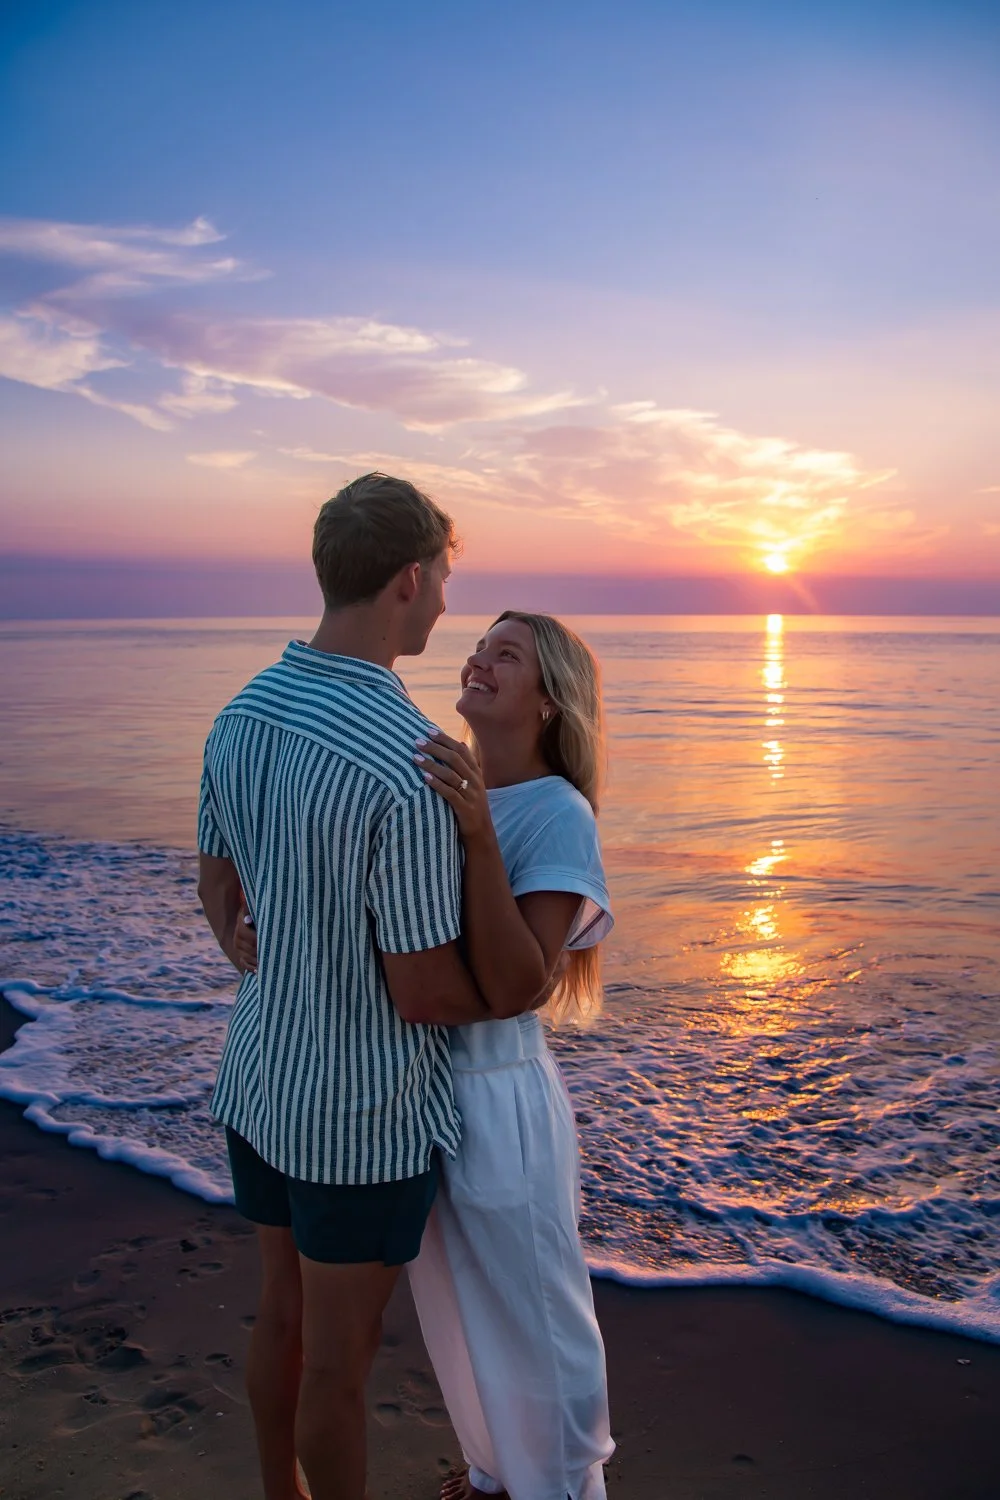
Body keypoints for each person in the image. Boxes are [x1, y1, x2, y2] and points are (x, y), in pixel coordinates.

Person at [238, 609, 616, 1500]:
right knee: (456, 1305)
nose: (479, 659)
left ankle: (562, 1484)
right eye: (482, 645)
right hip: (424, 1085)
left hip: (500, 1091)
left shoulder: (554, 812)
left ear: (550, 702)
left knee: (536, 1310)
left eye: (507, 655)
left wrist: (479, 833)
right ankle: (497, 1466)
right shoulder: (447, 780)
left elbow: (520, 982)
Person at [197, 473, 507, 1500]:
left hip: (260, 1076)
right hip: (355, 1117)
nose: (451, 605)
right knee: (338, 1361)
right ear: (409, 581)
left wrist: (278, 957)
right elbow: (422, 993)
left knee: (278, 1318)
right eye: (447, 580)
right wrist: (521, 991)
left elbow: (217, 889)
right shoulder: (405, 764)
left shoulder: (240, 714)